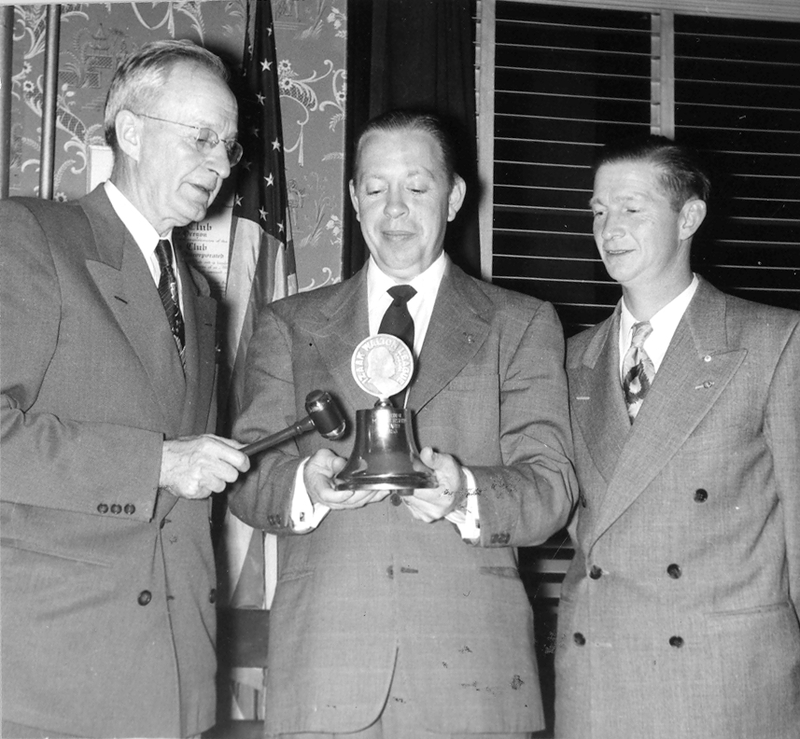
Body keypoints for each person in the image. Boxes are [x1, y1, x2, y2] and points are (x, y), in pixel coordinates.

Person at [228, 109, 577, 739]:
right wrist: (306, 485)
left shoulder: (520, 323)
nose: (395, 210)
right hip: (325, 674)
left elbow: (552, 486)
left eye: (417, 188)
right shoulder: (289, 324)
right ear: (355, 198)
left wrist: (464, 494)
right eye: (376, 188)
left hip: (473, 677)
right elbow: (248, 477)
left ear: (454, 198)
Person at [0, 39, 250, 738]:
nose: (221, 164)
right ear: (132, 132)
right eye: (202, 137)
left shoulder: (198, 293)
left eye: (229, 146)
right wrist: (158, 463)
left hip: (171, 685)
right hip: (46, 682)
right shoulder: (32, 237)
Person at [555, 135, 800, 738]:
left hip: (725, 680)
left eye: (632, 208)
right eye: (598, 210)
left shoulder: (772, 342)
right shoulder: (568, 360)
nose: (610, 227)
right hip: (597, 675)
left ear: (688, 216)